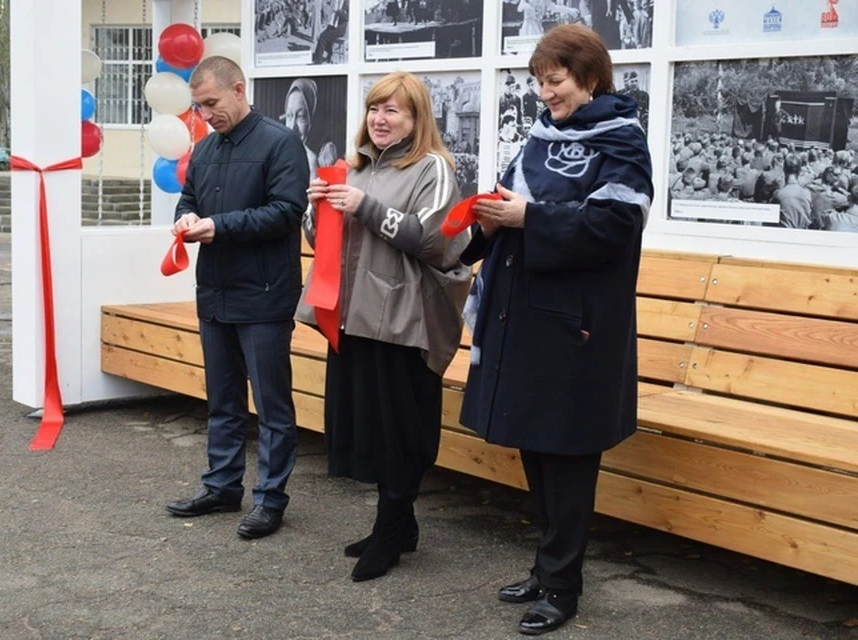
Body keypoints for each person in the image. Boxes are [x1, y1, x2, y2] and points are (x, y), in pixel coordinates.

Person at [460, 25, 652, 635]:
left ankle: (563, 588)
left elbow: (616, 225)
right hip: (522, 321)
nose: (544, 94)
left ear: (590, 77)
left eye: (555, 81)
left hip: (576, 332)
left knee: (567, 460)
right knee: (537, 449)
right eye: (539, 83)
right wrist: (489, 221)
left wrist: (529, 217)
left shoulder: (622, 140)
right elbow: (514, 206)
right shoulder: (541, 137)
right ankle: (545, 570)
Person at [296, 71, 472, 582]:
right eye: (375, 108)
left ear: (417, 119)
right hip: (353, 316)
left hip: (402, 321)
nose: (380, 118)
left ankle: (390, 531)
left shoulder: (433, 167)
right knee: (371, 428)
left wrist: (366, 207)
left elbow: (435, 240)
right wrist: (316, 210)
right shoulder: (355, 167)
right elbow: (325, 243)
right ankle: (398, 524)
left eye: (393, 110)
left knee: (400, 432)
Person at [167, 56, 310, 540]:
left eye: (212, 103)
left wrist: (218, 227)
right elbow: (189, 198)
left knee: (271, 406)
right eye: (199, 107)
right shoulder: (205, 149)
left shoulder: (280, 142)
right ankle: (222, 486)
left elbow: (287, 212)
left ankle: (270, 499)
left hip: (265, 296)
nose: (206, 115)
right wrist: (186, 217)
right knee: (223, 401)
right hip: (215, 293)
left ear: (239, 89)